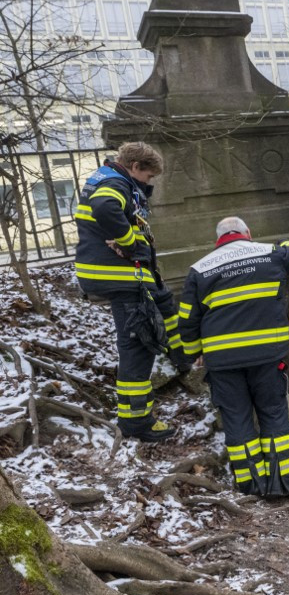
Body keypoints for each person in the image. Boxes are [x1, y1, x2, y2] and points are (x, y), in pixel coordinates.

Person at [176, 217, 289, 498]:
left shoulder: (199, 270)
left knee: (237, 420)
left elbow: (186, 319)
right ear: (247, 233)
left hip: (223, 362)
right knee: (273, 415)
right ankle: (281, 485)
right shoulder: (270, 253)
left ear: (218, 240)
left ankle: (250, 485)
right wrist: (283, 244)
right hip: (267, 355)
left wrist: (193, 353)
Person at [73, 142, 192, 443]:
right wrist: (129, 242)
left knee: (164, 306)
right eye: (149, 177)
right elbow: (104, 208)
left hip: (130, 277)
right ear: (136, 167)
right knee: (138, 349)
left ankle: (185, 360)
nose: (149, 183)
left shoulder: (109, 178)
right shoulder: (115, 183)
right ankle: (137, 422)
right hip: (119, 278)